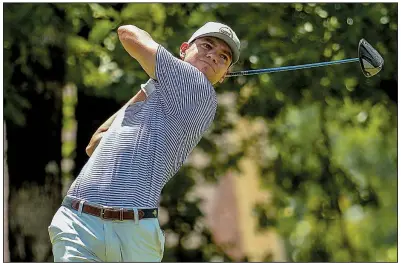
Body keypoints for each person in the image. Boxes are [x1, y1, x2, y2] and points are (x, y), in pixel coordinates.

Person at [48, 21, 241, 262]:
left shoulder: (196, 86)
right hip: (79, 221)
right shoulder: (165, 90)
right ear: (184, 49)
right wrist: (152, 85)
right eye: (206, 46)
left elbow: (128, 34)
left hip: (132, 234)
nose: (213, 56)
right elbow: (95, 143)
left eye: (223, 57)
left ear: (223, 77)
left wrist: (160, 76)